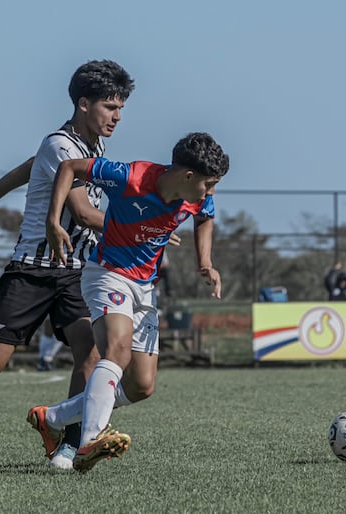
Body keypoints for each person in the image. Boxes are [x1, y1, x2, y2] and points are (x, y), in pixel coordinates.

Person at [0, 60, 136, 469]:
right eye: (109, 107)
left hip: (78, 271)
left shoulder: (94, 146)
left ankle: (68, 445)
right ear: (83, 104)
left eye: (120, 107)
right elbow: (83, 213)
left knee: (93, 349)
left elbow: (28, 168)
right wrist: (141, 228)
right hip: (32, 268)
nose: (117, 116)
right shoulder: (60, 144)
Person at [28, 132, 229, 472]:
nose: (211, 192)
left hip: (145, 287)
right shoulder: (130, 176)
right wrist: (52, 220)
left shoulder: (197, 196)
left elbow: (205, 218)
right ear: (187, 176)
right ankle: (88, 441)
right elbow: (68, 167)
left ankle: (53, 417)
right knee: (116, 353)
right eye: (209, 184)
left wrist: (204, 262)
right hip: (107, 273)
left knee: (141, 386)